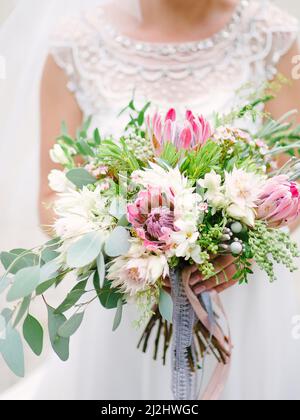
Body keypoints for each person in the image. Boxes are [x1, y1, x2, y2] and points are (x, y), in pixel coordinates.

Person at [3, 0, 300, 400]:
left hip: (242, 298)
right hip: (127, 303)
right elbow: (51, 196)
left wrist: (238, 250)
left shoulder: (276, 40)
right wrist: (128, 247)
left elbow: (291, 179)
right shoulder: (74, 46)